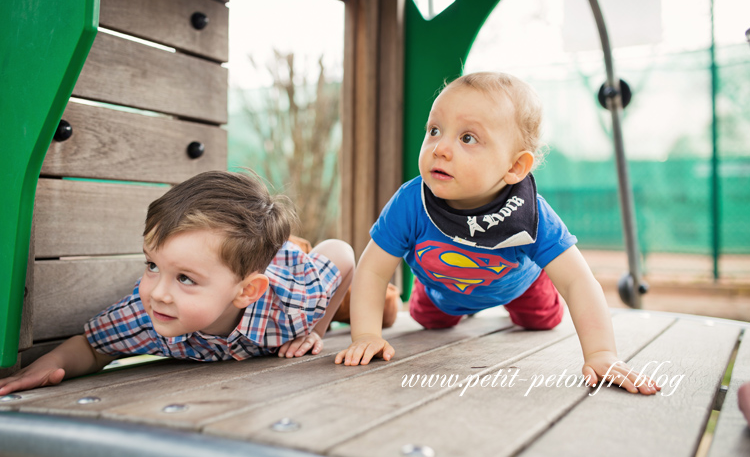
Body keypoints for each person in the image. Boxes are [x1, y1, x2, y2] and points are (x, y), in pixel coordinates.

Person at [335, 72, 659, 395]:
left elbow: (577, 281)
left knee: (540, 321)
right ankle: (445, 299)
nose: (440, 148)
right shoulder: (411, 202)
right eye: (434, 130)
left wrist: (602, 354)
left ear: (515, 168)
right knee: (428, 320)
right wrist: (366, 335)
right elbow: (373, 270)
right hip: (441, 286)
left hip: (518, 284)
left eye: (467, 138)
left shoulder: (529, 215)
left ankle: (536, 280)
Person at [0, 170, 354, 395]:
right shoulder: (145, 315)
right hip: (249, 268)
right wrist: (47, 365)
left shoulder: (296, 305)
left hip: (287, 265)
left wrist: (316, 331)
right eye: (151, 265)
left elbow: (341, 253)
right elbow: (93, 347)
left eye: (184, 277)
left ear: (246, 292)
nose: (157, 293)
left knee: (364, 301)